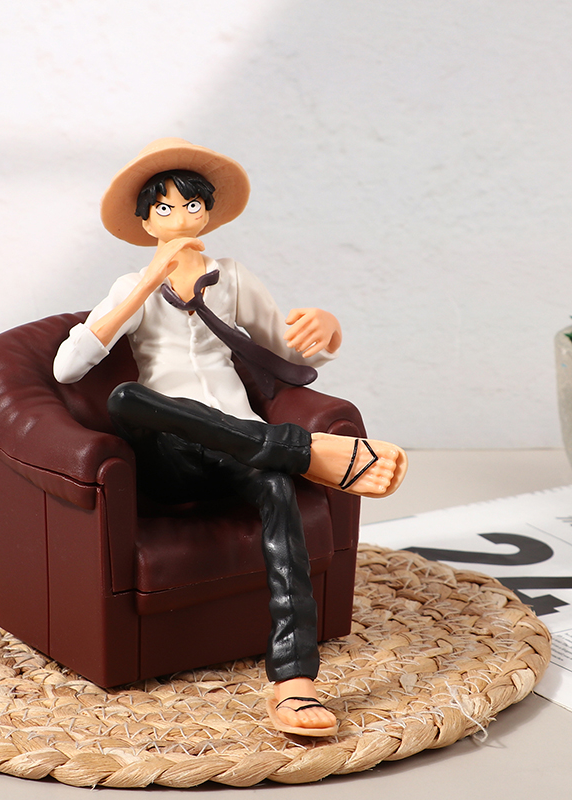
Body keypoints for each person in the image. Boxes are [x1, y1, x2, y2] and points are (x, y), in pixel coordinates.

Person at [53, 138, 407, 737]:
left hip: (242, 446)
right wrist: (148, 283)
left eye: (191, 205)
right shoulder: (131, 285)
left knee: (276, 487)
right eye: (163, 208)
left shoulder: (234, 278)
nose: (179, 217)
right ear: (146, 223)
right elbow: (68, 367)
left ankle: (294, 681)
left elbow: (288, 350)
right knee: (127, 399)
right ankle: (302, 451)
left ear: (208, 213)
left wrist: (328, 328)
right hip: (172, 456)